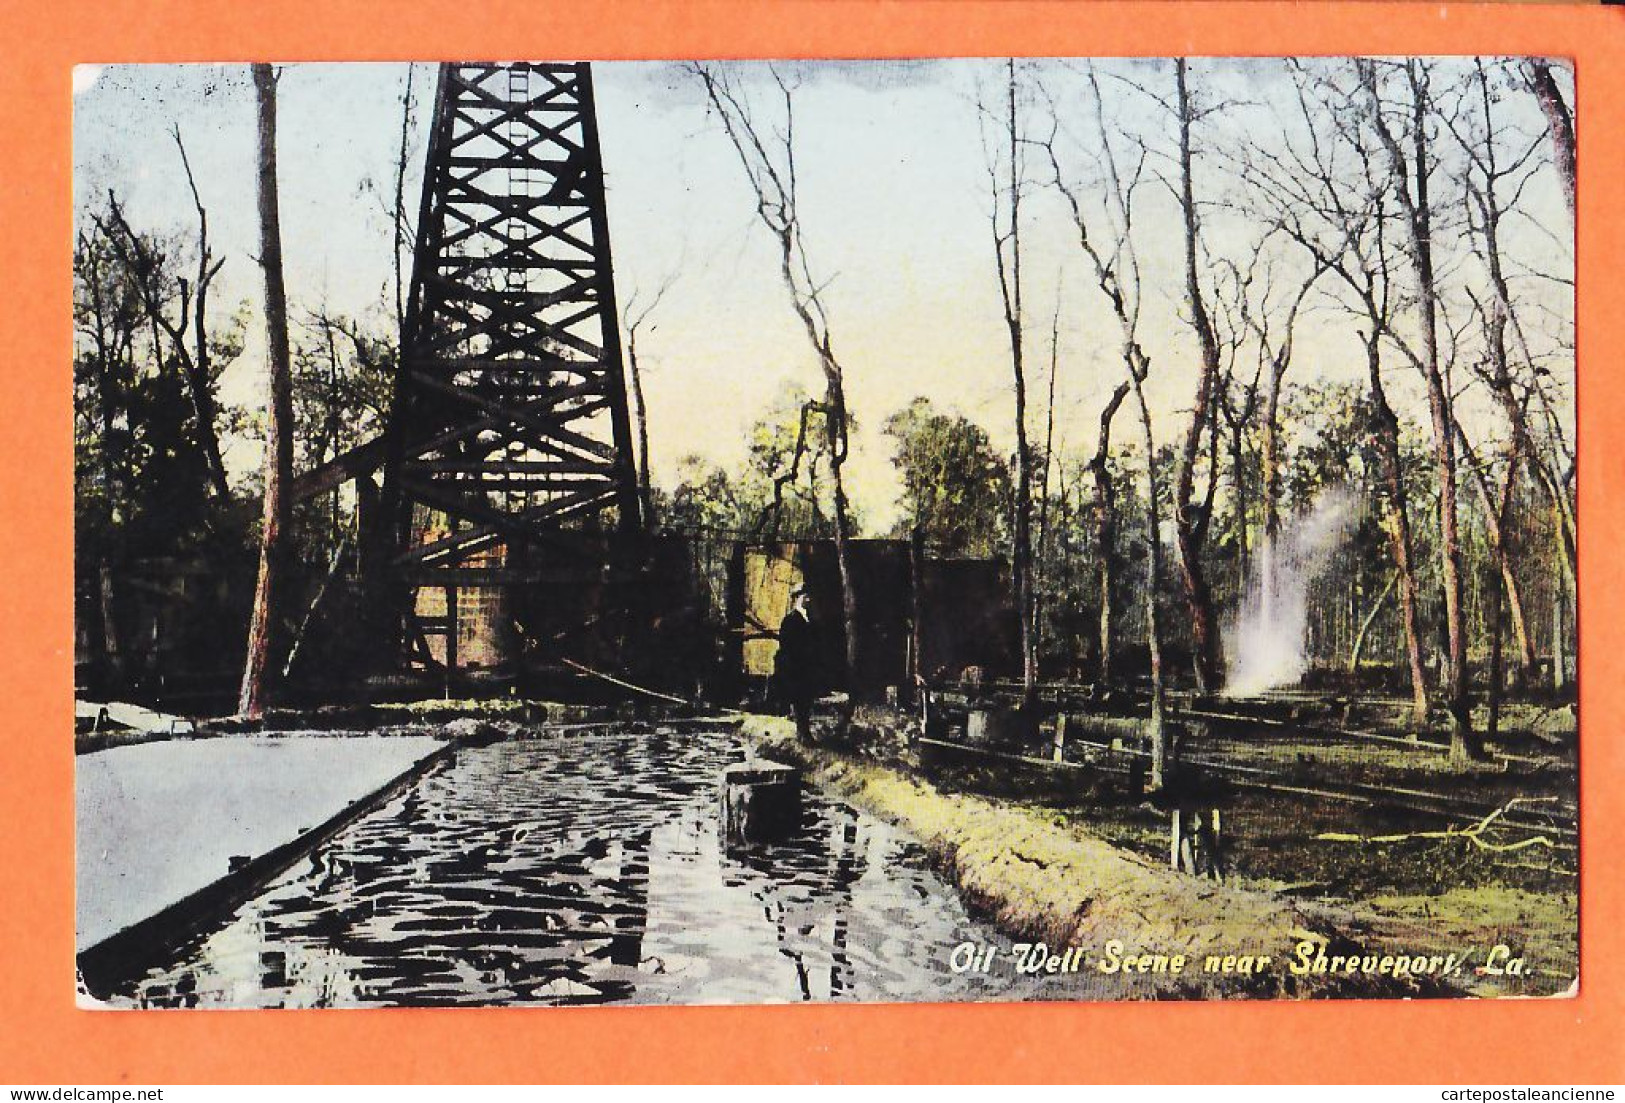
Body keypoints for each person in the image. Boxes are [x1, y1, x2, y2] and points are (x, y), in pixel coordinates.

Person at [773, 585, 819, 743]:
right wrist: (791, 667)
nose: (808, 599)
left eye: (808, 595)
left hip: (808, 668)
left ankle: (805, 733)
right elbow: (786, 646)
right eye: (804, 596)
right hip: (796, 668)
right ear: (796, 598)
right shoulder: (790, 620)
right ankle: (802, 734)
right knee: (799, 700)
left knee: (807, 700)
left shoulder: (810, 619)